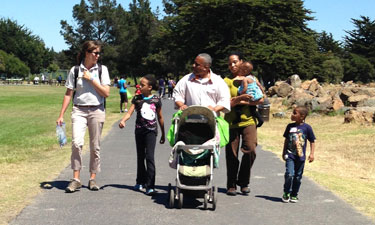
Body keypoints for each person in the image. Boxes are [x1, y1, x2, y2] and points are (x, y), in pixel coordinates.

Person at [56, 40, 110, 193]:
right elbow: (68, 94)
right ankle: (76, 179)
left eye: (99, 53)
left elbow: (106, 93)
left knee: (95, 146)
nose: (98, 56)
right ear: (87, 53)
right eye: (95, 53)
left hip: (97, 110)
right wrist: (61, 115)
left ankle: (92, 178)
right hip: (79, 109)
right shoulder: (75, 70)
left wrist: (91, 79)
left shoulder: (102, 70)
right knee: (76, 143)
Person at [224, 52, 264, 196]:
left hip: (248, 121)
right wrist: (240, 98)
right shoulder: (226, 81)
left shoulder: (251, 78)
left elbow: (261, 99)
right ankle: (231, 184)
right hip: (231, 122)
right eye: (230, 63)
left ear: (241, 62)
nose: (232, 65)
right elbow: (225, 103)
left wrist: (243, 101)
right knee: (232, 154)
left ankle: (243, 181)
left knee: (251, 149)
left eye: (235, 62)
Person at [119, 74, 165, 196]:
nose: (139, 86)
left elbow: (160, 117)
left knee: (149, 157)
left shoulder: (156, 100)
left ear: (150, 87)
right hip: (139, 131)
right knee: (140, 157)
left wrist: (163, 134)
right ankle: (140, 182)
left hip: (151, 132)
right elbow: (129, 112)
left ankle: (150, 186)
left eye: (142, 85)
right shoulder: (137, 98)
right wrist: (123, 120)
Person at [282, 106, 316, 203]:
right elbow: (286, 140)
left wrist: (312, 154)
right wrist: (284, 152)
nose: (292, 115)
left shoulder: (307, 128)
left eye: (294, 113)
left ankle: (294, 194)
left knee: (298, 176)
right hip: (290, 155)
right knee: (289, 174)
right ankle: (286, 192)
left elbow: (312, 141)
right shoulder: (289, 126)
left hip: (300, 157)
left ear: (302, 116)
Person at [235, 61, 264, 127]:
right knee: (253, 110)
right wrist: (263, 92)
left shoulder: (245, 79)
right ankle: (260, 119)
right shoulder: (253, 77)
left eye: (240, 70)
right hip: (255, 96)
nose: (239, 71)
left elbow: (245, 88)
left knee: (238, 107)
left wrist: (241, 95)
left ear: (245, 71)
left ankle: (238, 118)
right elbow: (259, 85)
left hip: (248, 95)